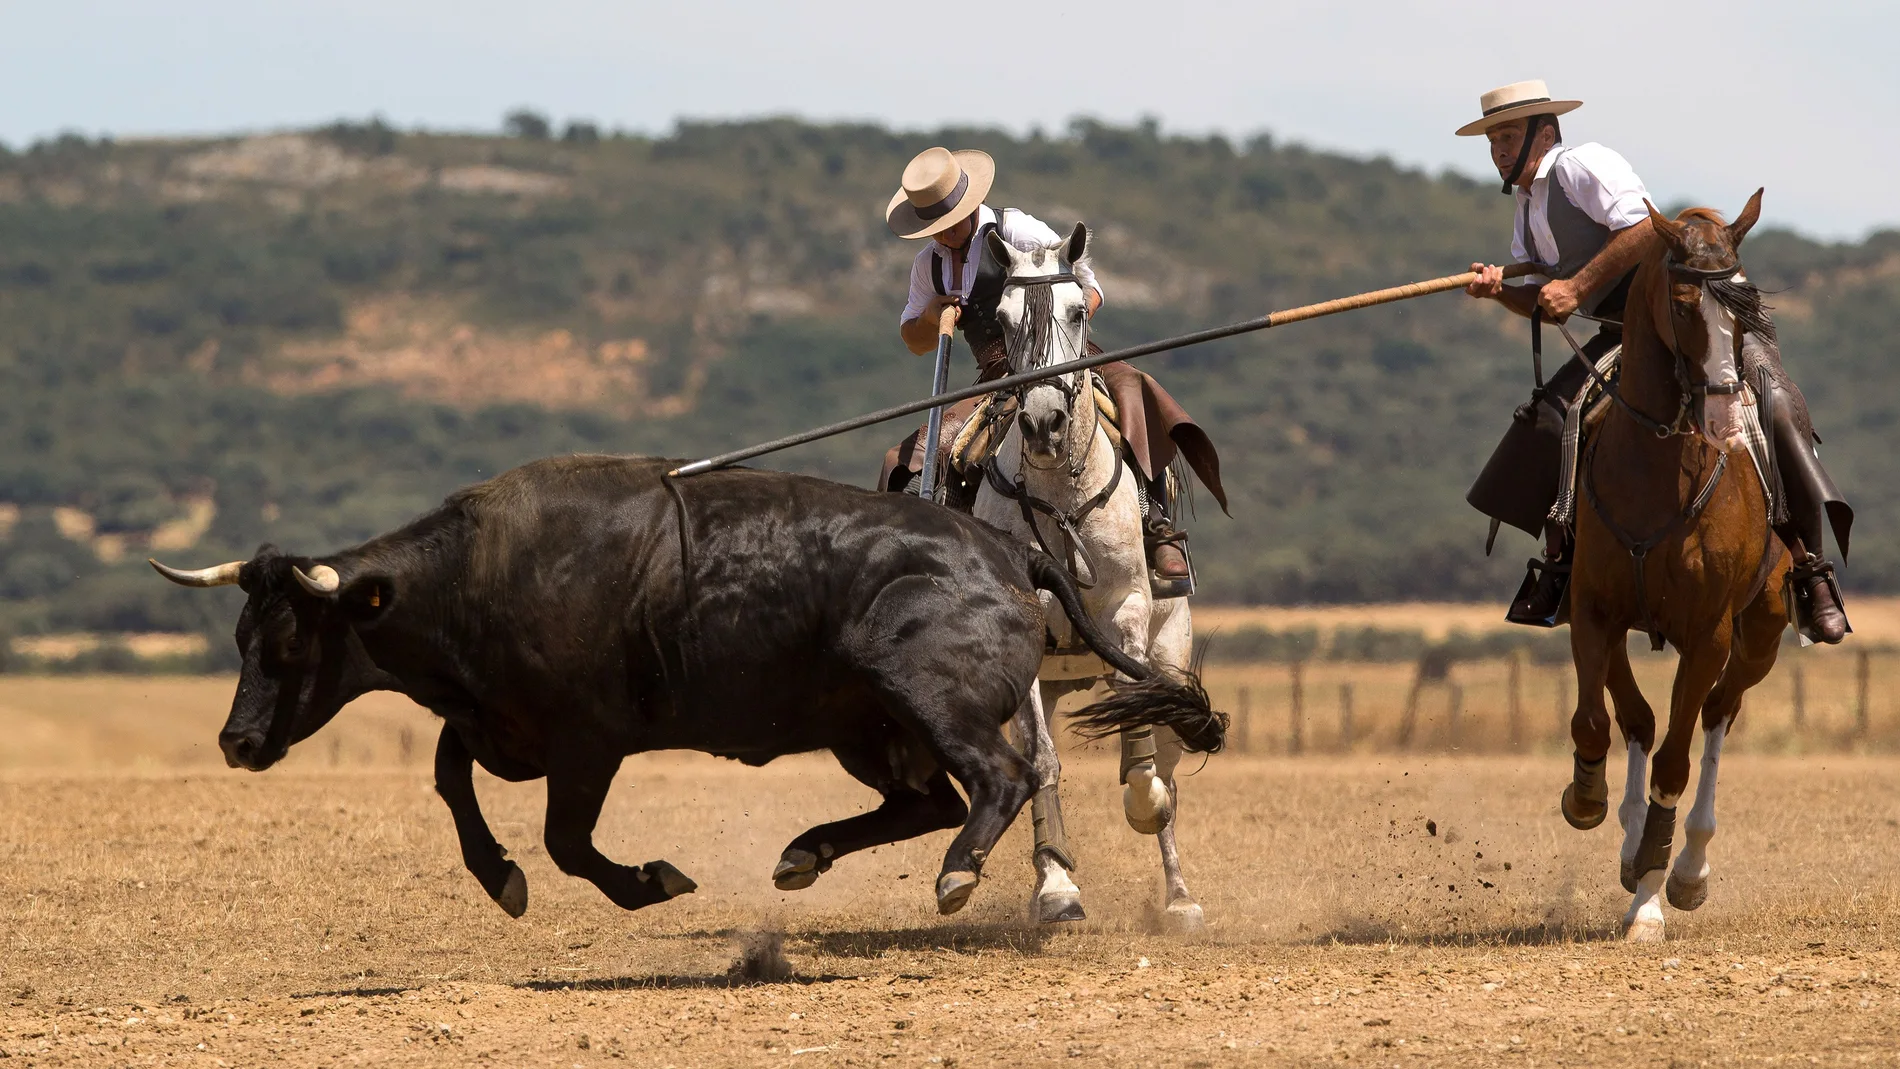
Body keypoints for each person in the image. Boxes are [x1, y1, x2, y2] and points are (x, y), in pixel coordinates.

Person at [1459, 81, 1851, 641]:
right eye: (1493, 138)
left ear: (1544, 135)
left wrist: (1575, 285)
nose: (1498, 149)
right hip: (1624, 334)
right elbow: (1551, 305)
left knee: (1778, 404)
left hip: (1692, 316)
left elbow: (1645, 229)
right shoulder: (1526, 209)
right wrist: (1499, 290)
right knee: (1553, 417)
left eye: (1508, 135)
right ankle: (1563, 564)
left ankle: (1811, 570)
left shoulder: (1581, 166)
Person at [878, 147, 1227, 597]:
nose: (942, 235)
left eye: (948, 223)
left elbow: (1090, 286)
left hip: (1067, 356)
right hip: (997, 378)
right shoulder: (928, 265)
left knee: (1135, 393)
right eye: (933, 229)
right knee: (907, 460)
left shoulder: (1017, 230)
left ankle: (1154, 524)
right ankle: (926, 564)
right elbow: (914, 340)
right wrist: (929, 317)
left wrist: (1064, 332)